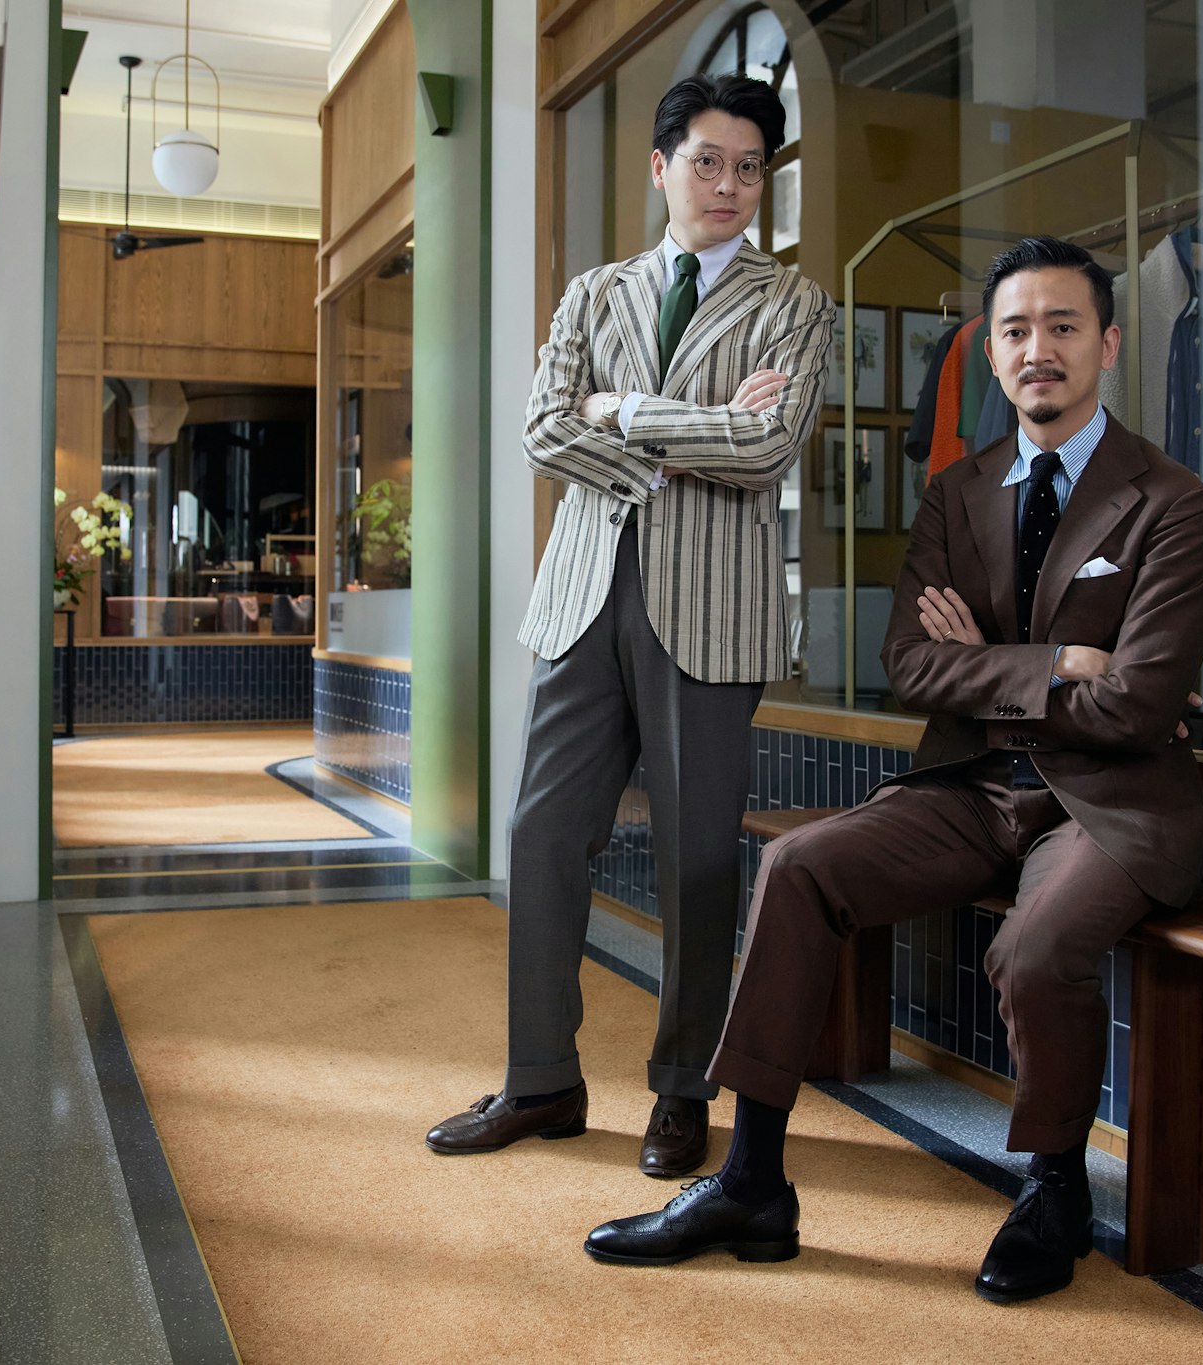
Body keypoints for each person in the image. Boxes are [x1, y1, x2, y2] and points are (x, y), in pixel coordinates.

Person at [584, 237, 1203, 1304]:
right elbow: (911, 664)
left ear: (1108, 344)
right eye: (1015, 330)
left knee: (1034, 947)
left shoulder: (1172, 500)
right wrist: (1056, 661)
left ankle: (1054, 1186)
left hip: (1104, 804)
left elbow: (1137, 706)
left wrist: (989, 664)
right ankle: (750, 1182)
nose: (1038, 348)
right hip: (972, 784)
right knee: (799, 867)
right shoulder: (955, 493)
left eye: (1063, 326)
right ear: (990, 353)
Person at [425, 74, 835, 1178]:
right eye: (707, 161)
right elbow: (542, 433)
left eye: (749, 167)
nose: (729, 184)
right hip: (580, 596)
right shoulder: (593, 293)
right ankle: (540, 1081)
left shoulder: (793, 303)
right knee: (541, 835)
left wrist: (625, 413)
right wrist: (685, 438)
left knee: (696, 857)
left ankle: (681, 1090)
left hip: (711, 611)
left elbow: (765, 450)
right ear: (661, 168)